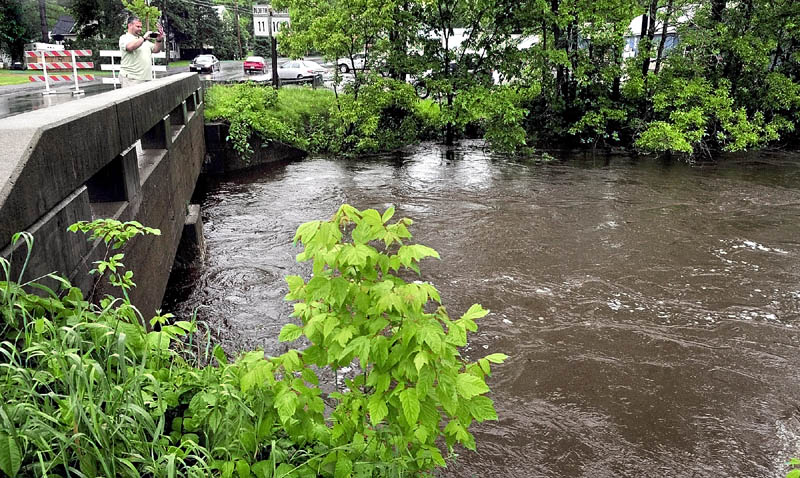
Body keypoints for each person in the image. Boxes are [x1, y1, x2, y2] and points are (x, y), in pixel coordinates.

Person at [118, 15, 165, 87]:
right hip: (131, 79)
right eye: (138, 26)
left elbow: (156, 49)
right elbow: (130, 47)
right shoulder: (124, 38)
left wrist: (159, 40)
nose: (140, 29)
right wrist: (144, 38)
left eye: (141, 27)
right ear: (130, 25)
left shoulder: (142, 40)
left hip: (146, 79)